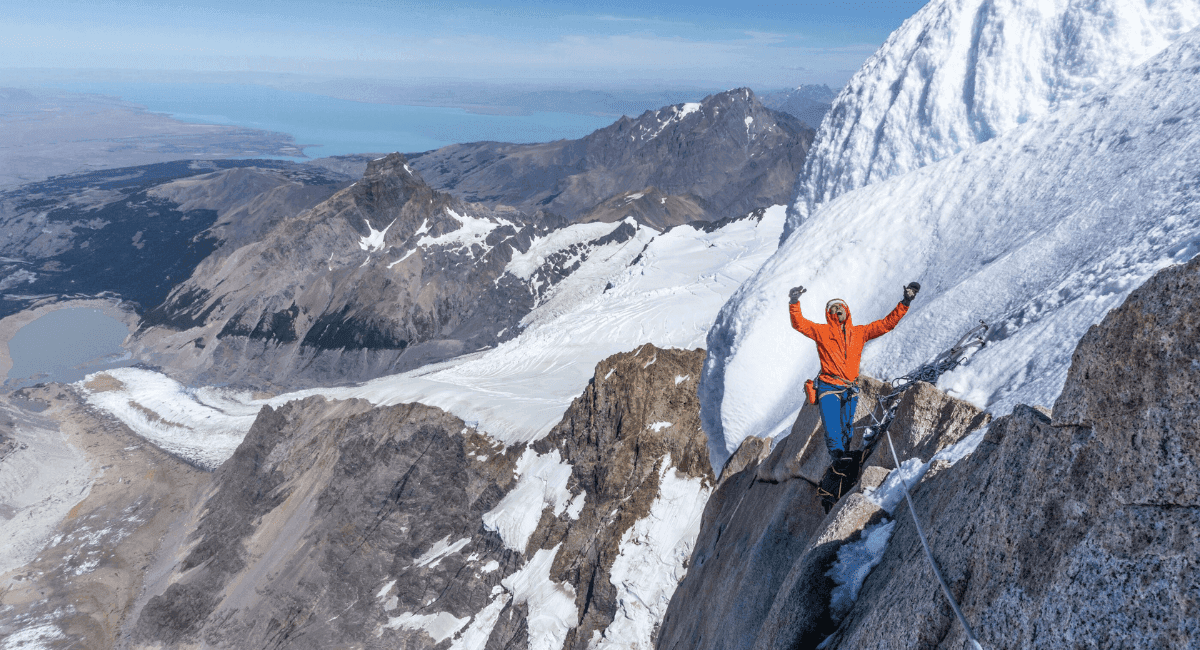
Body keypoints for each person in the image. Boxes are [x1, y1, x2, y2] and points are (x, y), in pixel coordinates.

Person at [788, 282, 920, 462]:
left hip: (850, 389)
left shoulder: (860, 332)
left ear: (846, 310)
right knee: (832, 429)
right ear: (829, 314)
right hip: (828, 388)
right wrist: (794, 302)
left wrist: (905, 302)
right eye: (832, 308)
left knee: (846, 430)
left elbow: (886, 324)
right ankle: (838, 459)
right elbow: (799, 324)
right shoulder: (821, 331)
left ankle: (843, 461)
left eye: (839, 306)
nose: (837, 309)